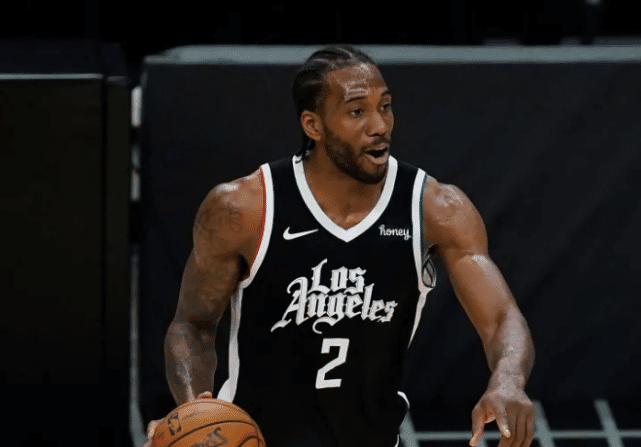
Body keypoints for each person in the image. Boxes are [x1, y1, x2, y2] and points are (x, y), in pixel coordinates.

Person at [144, 44, 536, 447]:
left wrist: (508, 379)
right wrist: (192, 414)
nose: (379, 125)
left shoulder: (436, 208)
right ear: (313, 125)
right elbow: (193, 324)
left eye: (385, 107)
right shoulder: (243, 208)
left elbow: (501, 318)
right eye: (357, 111)